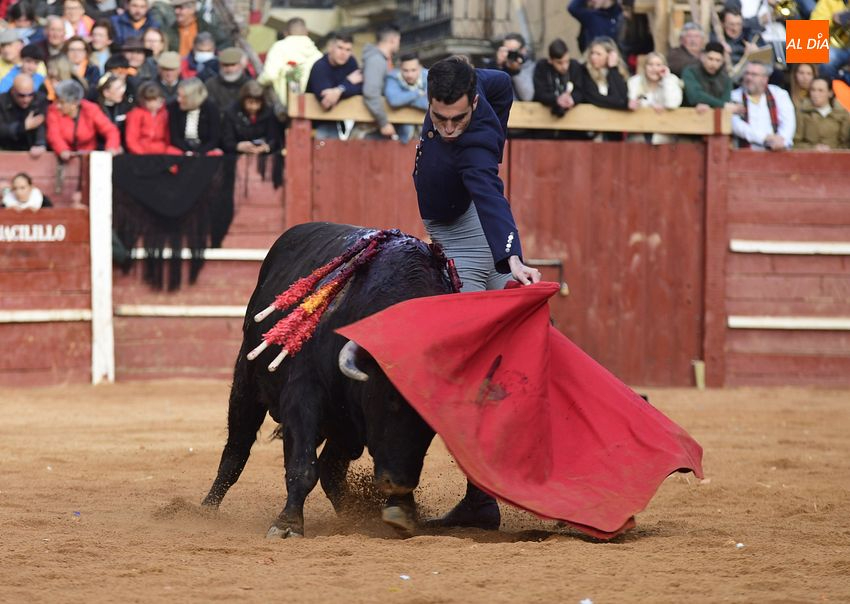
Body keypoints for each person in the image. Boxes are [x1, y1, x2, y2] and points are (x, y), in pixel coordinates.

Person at [412, 56, 541, 529]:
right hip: (460, 229)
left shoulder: (477, 146)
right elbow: (503, 82)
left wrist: (511, 258)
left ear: (473, 105)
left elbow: (490, 196)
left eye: (458, 119)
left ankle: (479, 498)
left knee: (464, 362)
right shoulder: (481, 84)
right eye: (439, 117)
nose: (448, 128)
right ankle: (481, 497)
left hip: (468, 237)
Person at [305, 31, 363, 139]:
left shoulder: (351, 62)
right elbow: (326, 99)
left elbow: (360, 88)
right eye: (340, 48)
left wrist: (338, 91)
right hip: (317, 122)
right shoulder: (320, 66)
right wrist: (347, 83)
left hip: (341, 119)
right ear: (330, 48)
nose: (343, 53)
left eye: (348, 50)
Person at [46, 79, 121, 158]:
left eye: (62, 103)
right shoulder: (53, 110)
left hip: (89, 156)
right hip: (64, 158)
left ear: (74, 103)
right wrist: (62, 150)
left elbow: (110, 130)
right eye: (57, 101)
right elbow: (53, 135)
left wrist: (111, 147)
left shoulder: (91, 109)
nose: (58, 106)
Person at [730, 61, 795, 150]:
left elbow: (788, 123)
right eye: (746, 73)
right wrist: (765, 138)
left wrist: (781, 140)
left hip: (777, 150)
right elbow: (736, 125)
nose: (749, 78)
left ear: (765, 79)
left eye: (754, 75)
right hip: (746, 152)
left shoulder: (779, 94)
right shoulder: (734, 96)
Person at [257, 17, 322, 102]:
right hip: (311, 106)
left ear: (285, 33)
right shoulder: (318, 54)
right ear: (307, 32)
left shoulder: (279, 47)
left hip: (285, 106)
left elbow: (269, 76)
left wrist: (259, 82)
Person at [627, 52, 683, 144]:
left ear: (664, 67)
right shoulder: (635, 81)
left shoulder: (671, 80)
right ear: (645, 67)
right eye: (650, 65)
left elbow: (672, 104)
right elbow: (633, 101)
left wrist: (666, 79)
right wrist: (650, 107)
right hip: (639, 130)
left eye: (658, 65)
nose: (654, 68)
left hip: (664, 132)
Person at [361, 23, 401, 140]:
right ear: (393, 40)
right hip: (375, 127)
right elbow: (371, 92)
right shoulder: (376, 60)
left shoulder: (382, 60)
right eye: (399, 40)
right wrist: (383, 122)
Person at [221, 80, 279, 155]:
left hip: (264, 156)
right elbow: (226, 141)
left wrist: (266, 147)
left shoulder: (268, 112)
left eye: (257, 103)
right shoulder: (231, 113)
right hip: (236, 156)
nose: (254, 107)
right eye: (250, 102)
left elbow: (274, 139)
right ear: (243, 101)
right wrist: (238, 146)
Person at [167, 76, 220, 155]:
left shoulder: (210, 108)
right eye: (178, 95)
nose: (179, 99)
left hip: (204, 149)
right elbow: (175, 137)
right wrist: (188, 152)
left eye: (184, 97)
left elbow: (214, 139)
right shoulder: (174, 107)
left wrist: (199, 153)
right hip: (182, 149)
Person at [794, 76, 850, 149]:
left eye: (820, 90)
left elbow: (846, 144)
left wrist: (832, 151)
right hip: (808, 157)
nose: (816, 94)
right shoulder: (802, 112)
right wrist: (813, 148)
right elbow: (795, 143)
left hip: (835, 157)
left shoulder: (842, 114)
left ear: (830, 93)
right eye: (813, 90)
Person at [578, 36, 633, 110]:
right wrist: (622, 103)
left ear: (610, 56)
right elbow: (597, 99)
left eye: (598, 54)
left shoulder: (617, 72)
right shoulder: (585, 72)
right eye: (592, 53)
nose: (593, 57)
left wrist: (613, 69)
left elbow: (622, 96)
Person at [682, 41, 738, 112]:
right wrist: (722, 105)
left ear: (722, 62)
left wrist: (711, 104)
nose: (713, 64)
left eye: (718, 60)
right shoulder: (690, 72)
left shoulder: (726, 79)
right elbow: (695, 96)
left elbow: (725, 101)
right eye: (710, 59)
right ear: (703, 57)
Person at [532, 38, 583, 117]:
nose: (564, 66)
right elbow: (540, 93)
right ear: (550, 60)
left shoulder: (575, 66)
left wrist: (572, 99)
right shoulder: (542, 67)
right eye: (559, 63)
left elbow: (581, 90)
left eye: (567, 61)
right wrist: (556, 99)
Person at [384, 52, 428, 143]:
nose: (409, 75)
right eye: (405, 70)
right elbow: (394, 101)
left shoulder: (429, 76)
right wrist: (418, 93)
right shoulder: (393, 77)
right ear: (400, 68)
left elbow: (429, 104)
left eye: (413, 70)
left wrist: (404, 99)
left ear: (420, 67)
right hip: (403, 133)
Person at [0, 73, 48, 155]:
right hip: (7, 149)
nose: (26, 99)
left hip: (31, 149)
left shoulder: (40, 100)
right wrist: (23, 127)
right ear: (13, 91)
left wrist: (40, 143)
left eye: (30, 95)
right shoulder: (2, 102)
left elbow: (42, 123)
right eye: (21, 95)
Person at [165, 0, 230, 57]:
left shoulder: (206, 28)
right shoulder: (169, 31)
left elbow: (224, 44)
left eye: (180, 8)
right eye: (175, 8)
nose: (176, 11)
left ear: (192, 9)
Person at [124, 80, 174, 153]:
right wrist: (142, 155)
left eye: (157, 99)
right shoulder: (136, 114)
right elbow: (131, 140)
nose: (155, 103)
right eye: (151, 100)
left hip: (162, 151)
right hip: (142, 152)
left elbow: (168, 138)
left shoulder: (165, 114)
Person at [205, 46, 252, 116]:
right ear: (220, 65)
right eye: (225, 65)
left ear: (240, 65)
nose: (229, 69)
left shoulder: (249, 84)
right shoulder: (210, 84)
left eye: (233, 65)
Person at [97, 72, 131, 137]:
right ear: (106, 92)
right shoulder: (96, 109)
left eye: (123, 87)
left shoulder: (127, 106)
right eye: (118, 88)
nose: (122, 91)